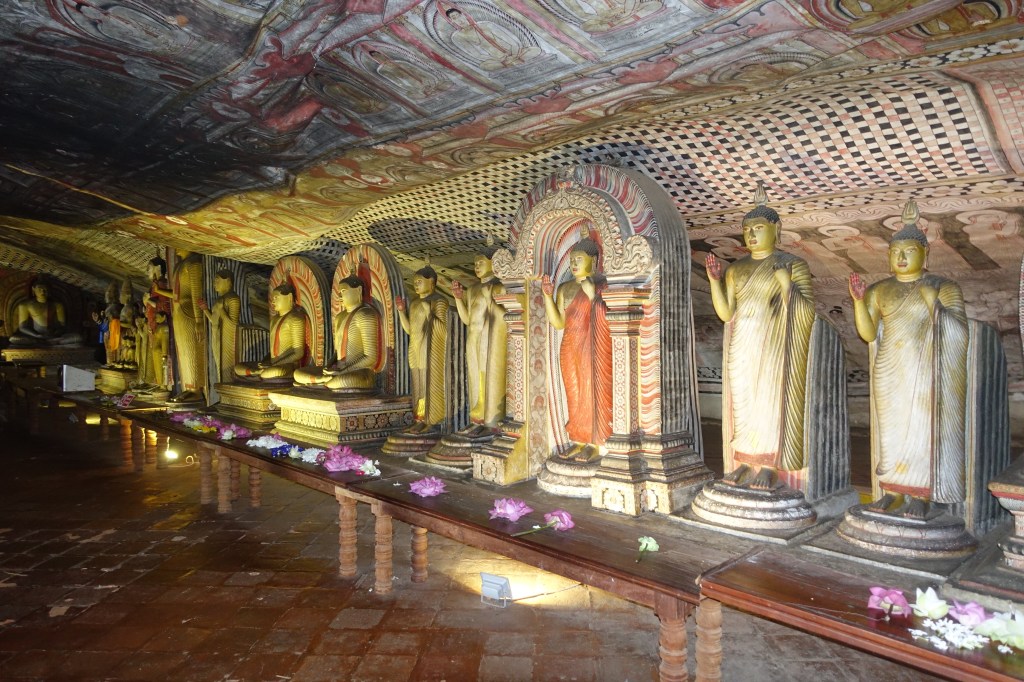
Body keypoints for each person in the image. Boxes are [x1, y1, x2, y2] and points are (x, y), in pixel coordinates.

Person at [849, 200, 968, 518]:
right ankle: (892, 491)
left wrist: (934, 306)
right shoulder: (879, 290)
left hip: (924, 370)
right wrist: (859, 302)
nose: (900, 258)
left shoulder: (943, 286)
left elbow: (959, 333)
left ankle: (921, 495)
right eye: (895, 252)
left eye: (909, 251)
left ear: (925, 254)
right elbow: (868, 334)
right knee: (891, 433)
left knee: (921, 430)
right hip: (889, 368)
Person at [705, 184, 815, 490]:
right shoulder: (735, 270)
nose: (751, 235)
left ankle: (768, 465)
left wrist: (787, 284)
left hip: (773, 344)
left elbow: (807, 311)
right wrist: (714, 281)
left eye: (758, 228)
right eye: (747, 230)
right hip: (743, 344)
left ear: (776, 230)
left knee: (768, 402)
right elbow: (726, 313)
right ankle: (744, 461)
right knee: (743, 405)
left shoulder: (792, 264)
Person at [541, 237, 613, 463]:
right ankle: (577, 440)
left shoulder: (601, 285)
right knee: (572, 393)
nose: (573, 263)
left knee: (589, 392)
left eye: (579, 259)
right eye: (572, 260)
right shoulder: (565, 288)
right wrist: (547, 297)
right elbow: (558, 323)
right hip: (569, 345)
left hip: (590, 346)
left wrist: (593, 296)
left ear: (593, 260)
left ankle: (593, 443)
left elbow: (609, 318)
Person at [294, 276, 383, 391]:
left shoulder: (365, 315)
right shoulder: (339, 317)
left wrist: (344, 371)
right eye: (339, 292)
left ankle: (319, 383)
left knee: (343, 381)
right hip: (338, 369)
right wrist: (328, 366)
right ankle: (323, 381)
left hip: (359, 372)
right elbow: (337, 352)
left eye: (343, 291)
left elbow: (371, 357)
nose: (340, 296)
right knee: (298, 373)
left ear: (359, 290)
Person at [452, 252, 507, 435]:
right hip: (473, 337)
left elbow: (503, 316)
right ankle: (477, 419)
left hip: (488, 338)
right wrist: (458, 299)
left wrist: (490, 298)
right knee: (474, 378)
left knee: (487, 377)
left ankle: (491, 421)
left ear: (493, 263)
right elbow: (467, 319)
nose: (477, 267)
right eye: (475, 263)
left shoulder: (499, 287)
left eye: (481, 263)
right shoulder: (472, 289)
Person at [397, 266, 449, 433]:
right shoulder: (414, 303)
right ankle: (419, 418)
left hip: (431, 352)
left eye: (420, 281)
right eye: (415, 282)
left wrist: (429, 312)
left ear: (431, 282)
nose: (416, 284)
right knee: (418, 386)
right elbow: (410, 330)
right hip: (415, 349)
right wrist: (401, 312)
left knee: (429, 385)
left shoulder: (439, 301)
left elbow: (443, 331)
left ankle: (431, 420)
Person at [154, 250, 205, 402]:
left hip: (189, 312)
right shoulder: (180, 266)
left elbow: (196, 293)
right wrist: (159, 291)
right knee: (183, 352)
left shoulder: (193, 264)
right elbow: (176, 294)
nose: (177, 248)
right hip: (179, 313)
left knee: (192, 349)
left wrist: (199, 319)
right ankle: (188, 387)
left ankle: (196, 389)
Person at [234, 283, 307, 382]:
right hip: (272, 364)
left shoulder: (295, 319)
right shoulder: (274, 319)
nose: (273, 301)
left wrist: (274, 364)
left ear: (289, 297)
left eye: (276, 298)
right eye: (272, 298)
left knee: (274, 371)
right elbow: (273, 350)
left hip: (287, 365)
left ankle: (258, 374)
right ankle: (256, 372)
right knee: (238, 367)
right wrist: (265, 361)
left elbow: (298, 353)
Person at [8, 279, 83, 347]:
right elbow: (23, 327)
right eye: (39, 288)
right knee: (13, 339)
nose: (42, 291)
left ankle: (47, 342)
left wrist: (54, 334)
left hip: (53, 336)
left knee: (78, 337)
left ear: (49, 290)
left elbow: (62, 326)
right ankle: (45, 342)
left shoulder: (57, 305)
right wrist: (37, 335)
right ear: (33, 289)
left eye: (45, 289)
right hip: (34, 337)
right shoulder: (25, 305)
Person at [201, 269, 241, 384]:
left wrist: (221, 310)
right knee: (219, 364)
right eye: (214, 280)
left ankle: (228, 386)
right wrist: (205, 310)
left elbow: (233, 324)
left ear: (228, 281)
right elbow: (214, 321)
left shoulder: (233, 299)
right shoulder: (219, 300)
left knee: (227, 366)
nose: (214, 283)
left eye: (217, 280)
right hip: (217, 337)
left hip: (228, 339)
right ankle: (223, 385)